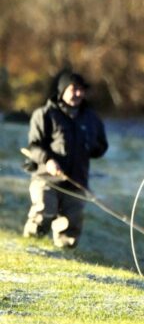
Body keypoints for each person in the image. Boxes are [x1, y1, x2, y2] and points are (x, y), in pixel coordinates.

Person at [23, 70, 108, 248]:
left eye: (81, 90)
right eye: (73, 89)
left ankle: (64, 255)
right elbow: (34, 147)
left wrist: (89, 146)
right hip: (47, 180)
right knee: (44, 213)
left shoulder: (91, 118)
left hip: (77, 182)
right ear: (62, 90)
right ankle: (30, 246)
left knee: (71, 226)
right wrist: (48, 160)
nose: (78, 94)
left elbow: (101, 146)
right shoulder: (44, 114)